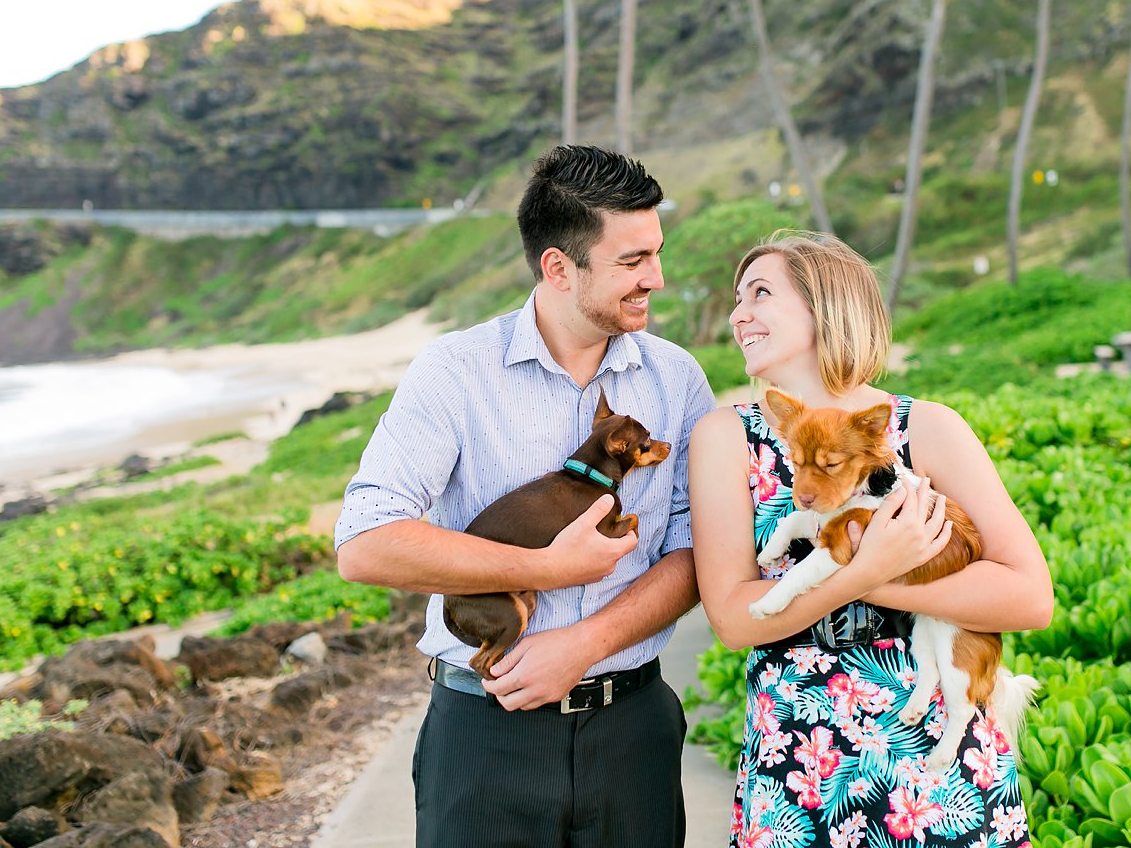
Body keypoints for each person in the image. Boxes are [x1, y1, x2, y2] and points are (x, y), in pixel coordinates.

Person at [335, 145, 716, 848]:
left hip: (633, 732)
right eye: (632, 262)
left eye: (656, 254)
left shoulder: (679, 379)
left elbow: (697, 551)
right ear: (558, 267)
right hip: (484, 736)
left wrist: (582, 644)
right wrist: (543, 571)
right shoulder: (454, 372)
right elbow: (364, 542)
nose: (656, 278)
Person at [689, 231, 1053, 847]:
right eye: (736, 297)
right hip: (799, 762)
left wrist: (886, 581)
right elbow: (732, 620)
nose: (737, 314)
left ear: (825, 307)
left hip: (941, 772)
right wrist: (864, 573)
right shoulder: (726, 437)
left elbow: (1029, 598)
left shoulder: (928, 428)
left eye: (760, 293)